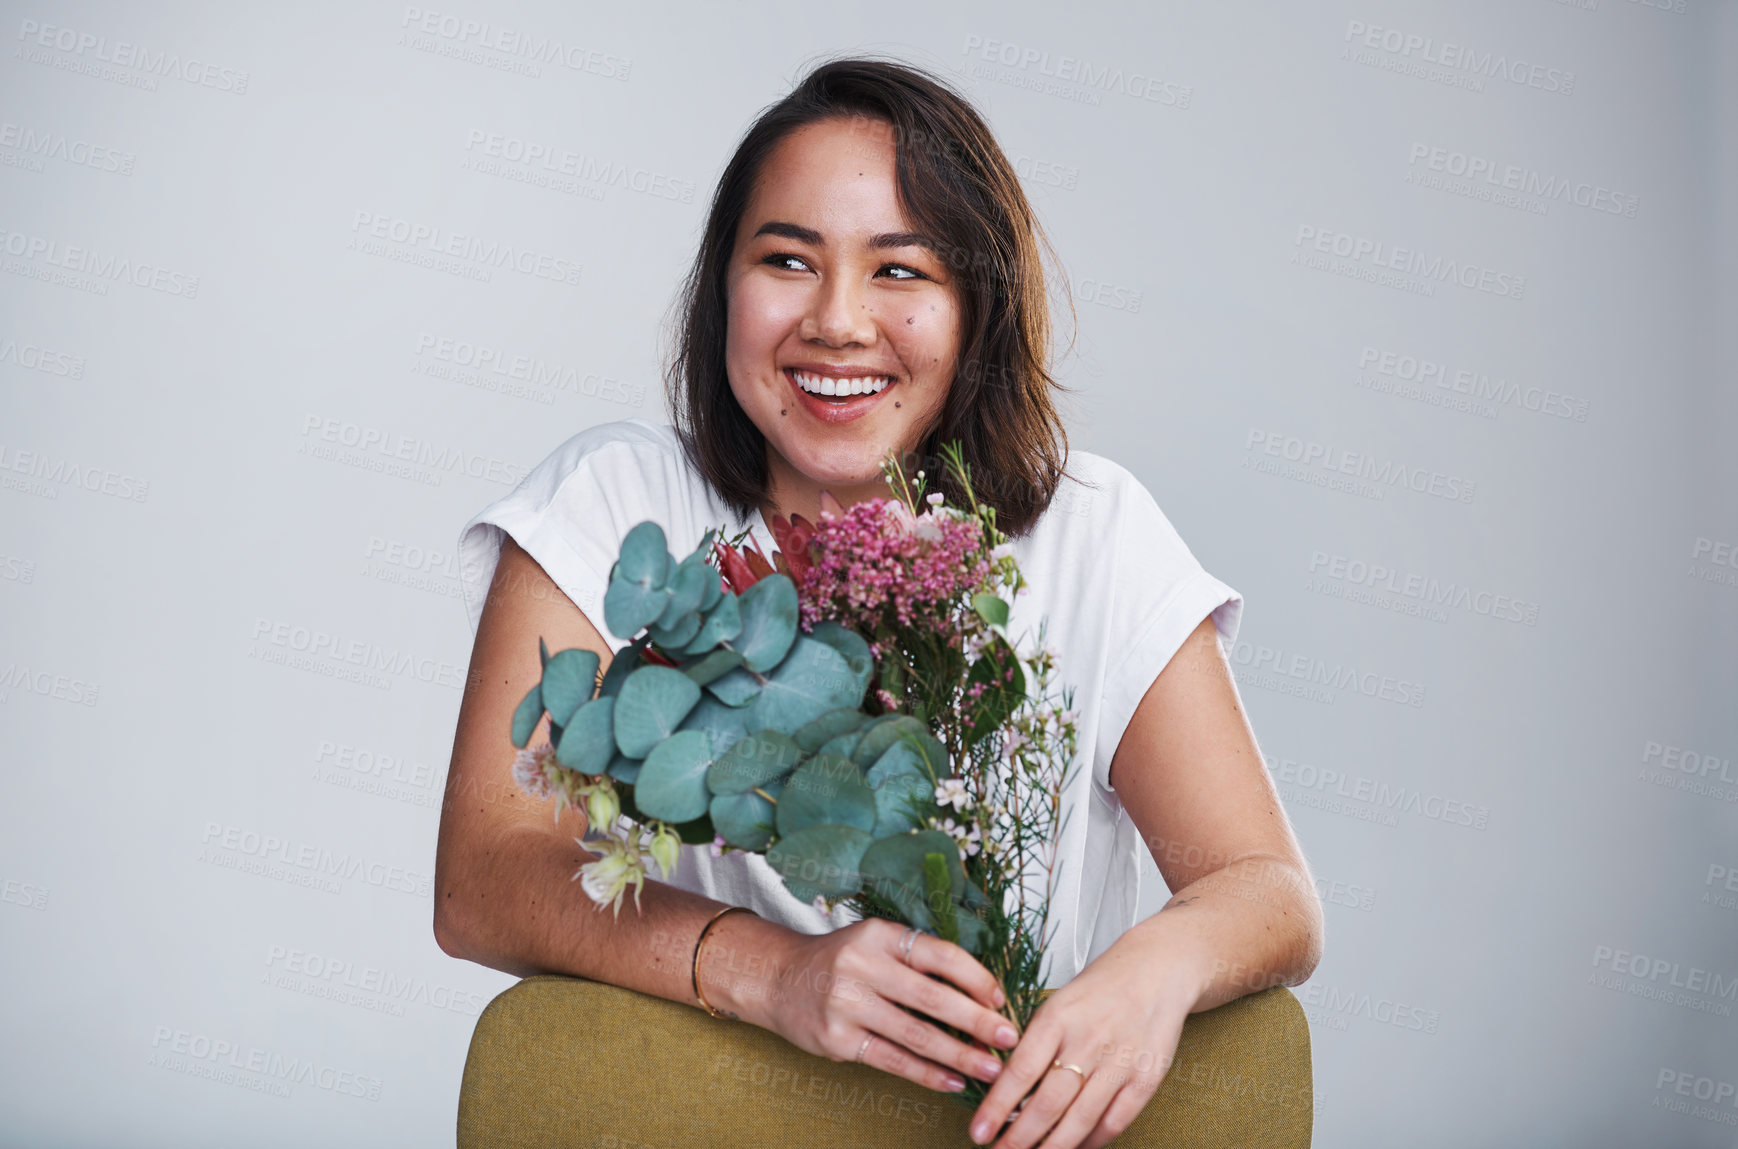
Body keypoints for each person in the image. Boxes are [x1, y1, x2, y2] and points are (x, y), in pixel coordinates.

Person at [434, 56, 1322, 1149]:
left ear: (977, 306)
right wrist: (777, 975)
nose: (837, 322)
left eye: (900, 272)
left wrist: (1158, 969)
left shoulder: (1092, 533)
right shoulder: (621, 505)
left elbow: (1268, 889)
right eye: (786, 260)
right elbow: (483, 876)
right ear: (725, 287)